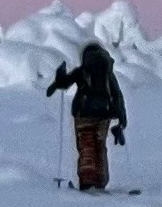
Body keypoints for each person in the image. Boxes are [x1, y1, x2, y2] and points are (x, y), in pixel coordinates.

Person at [43, 41, 126, 192]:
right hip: (104, 115)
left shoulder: (82, 71)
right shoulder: (108, 73)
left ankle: (88, 182)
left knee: (86, 146)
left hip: (83, 114)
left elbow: (63, 84)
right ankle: (100, 181)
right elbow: (117, 95)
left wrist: (59, 76)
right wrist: (121, 119)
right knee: (99, 146)